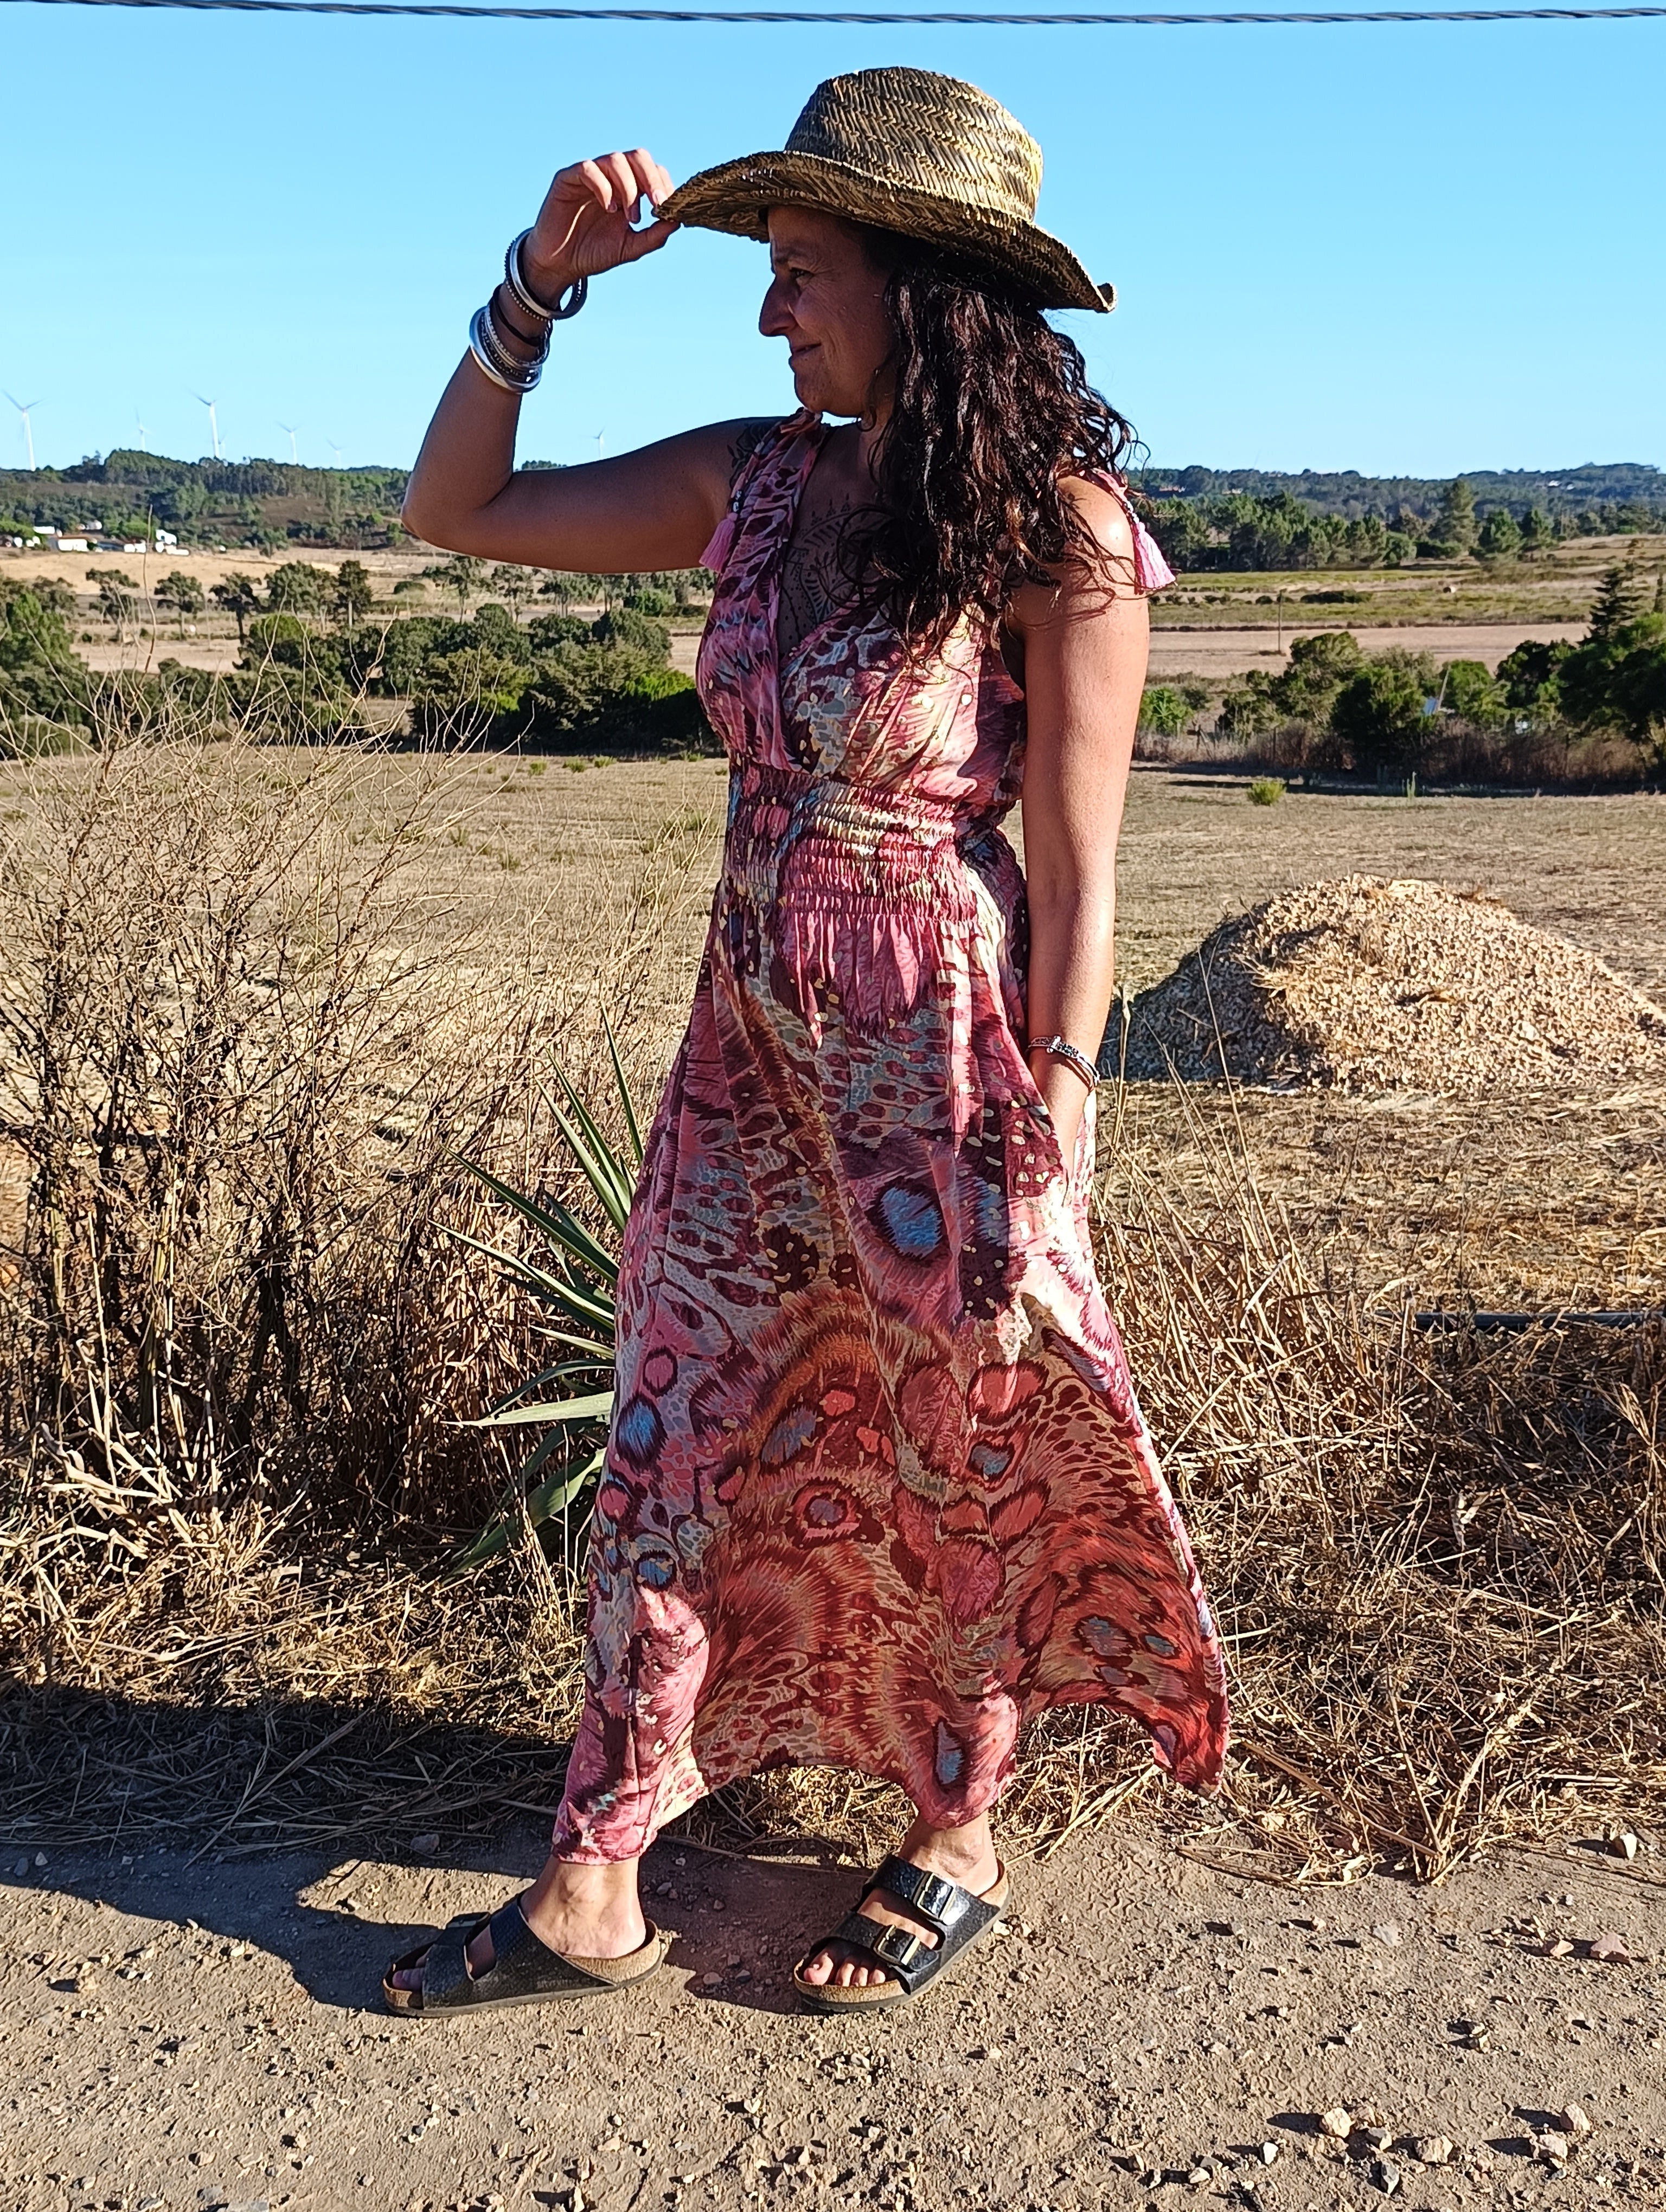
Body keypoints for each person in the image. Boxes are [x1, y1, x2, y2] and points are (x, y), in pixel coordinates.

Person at [387, 65, 1227, 2021]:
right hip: (747, 1045)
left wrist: (1060, 1114)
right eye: (766, 268)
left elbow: (1083, 868)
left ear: (924, 289)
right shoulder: (751, 483)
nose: (771, 311)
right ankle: (597, 1871)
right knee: (672, 1435)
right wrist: (535, 285)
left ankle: (959, 1827)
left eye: (802, 269)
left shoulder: (1062, 535)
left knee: (951, 1447)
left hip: (939, 1056)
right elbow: (456, 510)